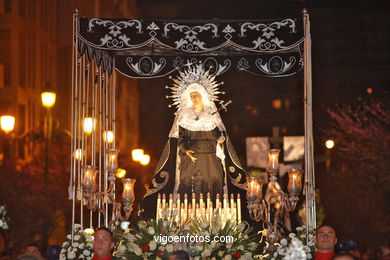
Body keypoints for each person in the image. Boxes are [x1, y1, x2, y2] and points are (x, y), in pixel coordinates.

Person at [138, 64, 248, 220]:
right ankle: (187, 220)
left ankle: (214, 219)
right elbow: (181, 137)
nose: (194, 98)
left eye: (197, 94)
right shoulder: (184, 117)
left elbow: (218, 134)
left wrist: (220, 139)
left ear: (203, 96)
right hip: (191, 159)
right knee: (189, 188)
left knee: (213, 185)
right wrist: (186, 149)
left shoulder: (212, 116)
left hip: (211, 158)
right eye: (192, 96)